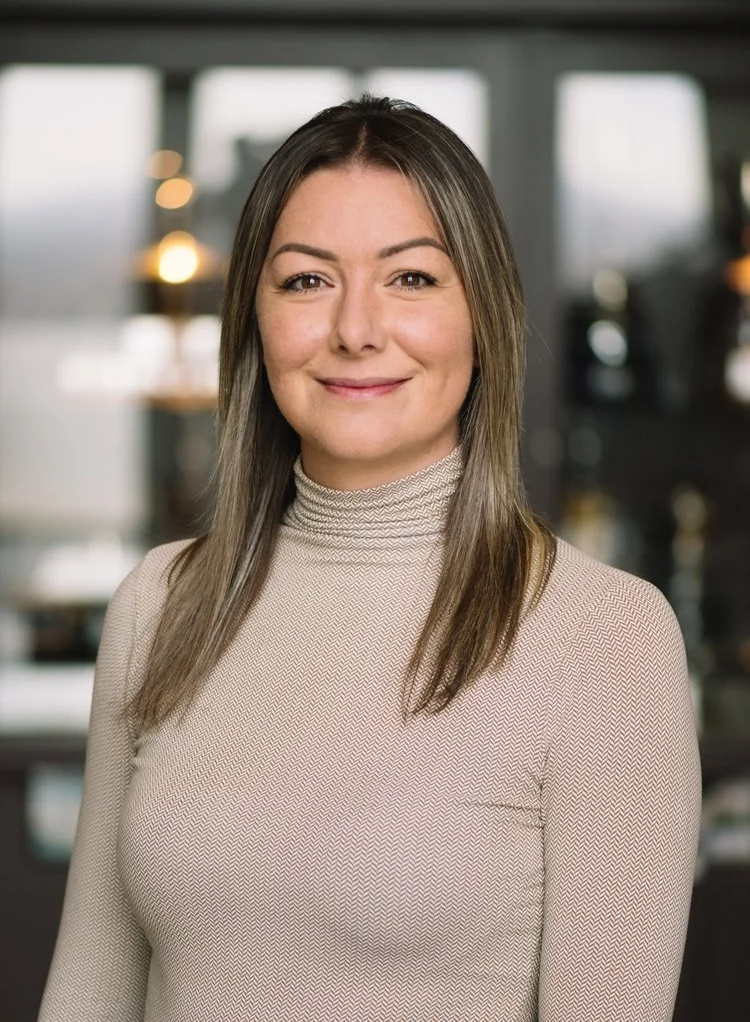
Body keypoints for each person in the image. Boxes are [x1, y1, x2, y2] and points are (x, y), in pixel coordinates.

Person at [39, 94, 701, 1021]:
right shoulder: (161, 603)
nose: (356, 328)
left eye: (412, 278)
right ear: (255, 316)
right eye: (307, 280)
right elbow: (88, 993)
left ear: (483, 314)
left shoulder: (603, 635)